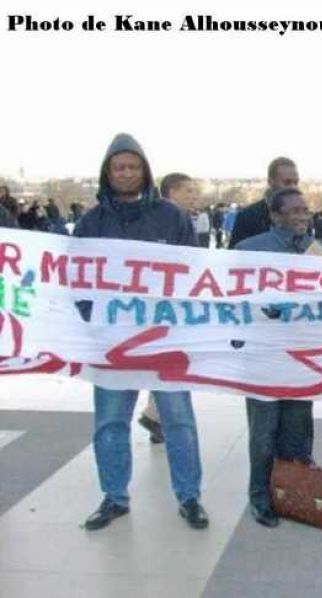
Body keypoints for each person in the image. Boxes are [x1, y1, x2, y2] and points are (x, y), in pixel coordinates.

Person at [74, 133, 208, 531]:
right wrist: (94, 319)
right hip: (112, 341)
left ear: (145, 170)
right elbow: (76, 278)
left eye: (133, 166)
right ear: (107, 172)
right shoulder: (91, 222)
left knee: (178, 421)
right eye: (119, 167)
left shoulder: (172, 217)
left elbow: (194, 271)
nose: (126, 173)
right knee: (110, 422)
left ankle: (189, 496)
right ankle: (114, 497)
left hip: (164, 339)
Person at [234, 187, 316, 527]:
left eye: (305, 210)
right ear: (275, 215)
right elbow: (234, 300)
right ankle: (261, 497)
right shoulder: (248, 250)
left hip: (302, 354)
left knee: (298, 429)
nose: (302, 216)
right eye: (294, 210)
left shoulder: (318, 251)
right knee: (264, 431)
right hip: (263, 355)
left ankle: (292, 493)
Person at [136, 172, 201, 445]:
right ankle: (157, 416)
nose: (194, 196)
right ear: (172, 192)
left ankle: (156, 415)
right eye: (189, 191)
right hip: (163, 305)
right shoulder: (164, 220)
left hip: (165, 304)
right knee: (169, 362)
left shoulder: (177, 220)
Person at [228, 157, 299, 249]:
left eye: (296, 183)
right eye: (287, 182)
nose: (293, 188)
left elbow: (310, 253)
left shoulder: (302, 217)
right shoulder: (247, 217)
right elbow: (236, 254)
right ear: (271, 182)